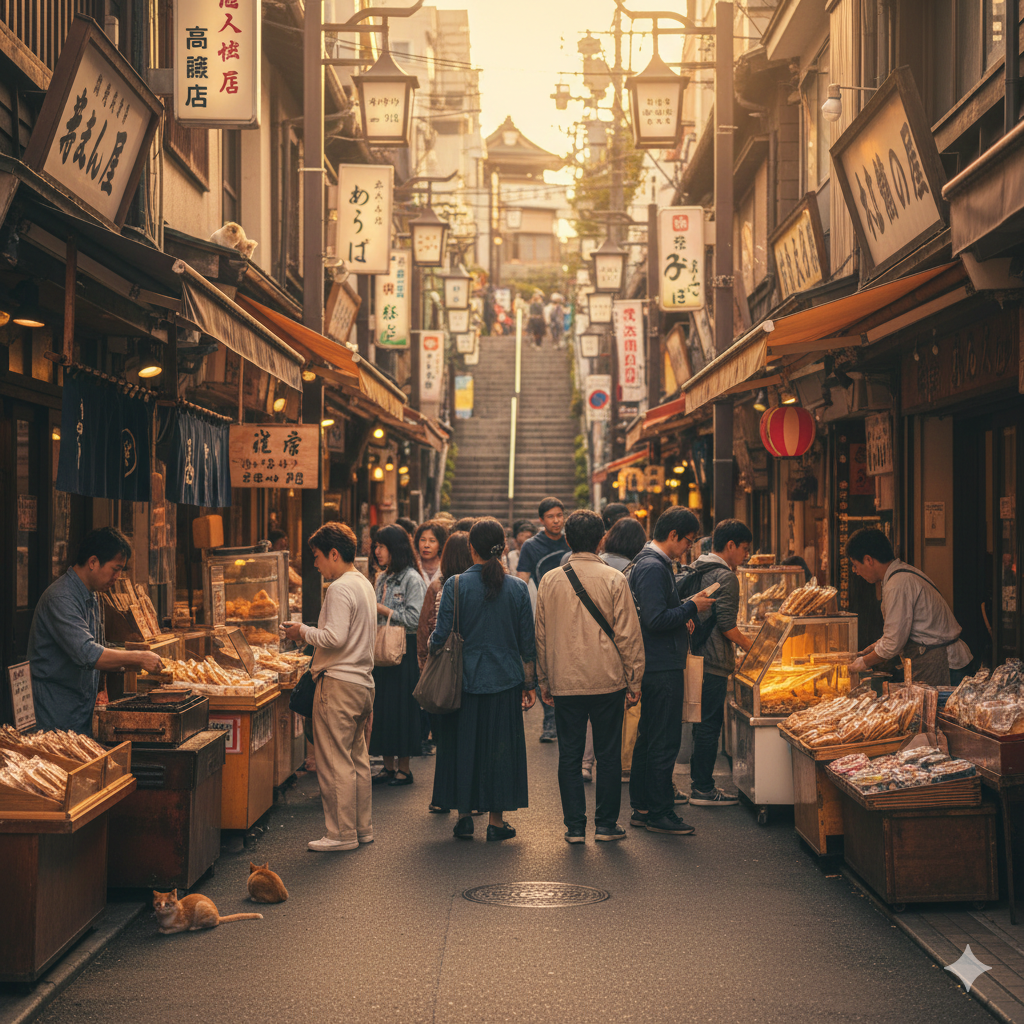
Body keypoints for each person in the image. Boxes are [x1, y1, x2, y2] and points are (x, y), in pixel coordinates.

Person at [536, 510, 645, 843]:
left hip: (565, 681)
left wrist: (544, 679)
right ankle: (606, 824)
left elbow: (540, 635)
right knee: (608, 753)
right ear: (601, 539)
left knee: (569, 754)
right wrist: (634, 678)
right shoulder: (614, 579)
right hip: (608, 678)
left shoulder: (550, 580)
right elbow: (629, 635)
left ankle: (574, 827)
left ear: (567, 539)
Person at [429, 518, 536, 842]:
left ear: (471, 548)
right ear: (502, 549)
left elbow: (440, 636)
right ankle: (496, 821)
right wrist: (530, 685)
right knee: (499, 751)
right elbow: (527, 642)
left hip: (462, 682)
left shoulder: (456, 585)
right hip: (505, 681)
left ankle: (463, 816)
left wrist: (434, 650)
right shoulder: (516, 588)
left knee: (463, 748)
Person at [281, 523, 376, 852]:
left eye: (318, 556)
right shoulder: (363, 583)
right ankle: (362, 828)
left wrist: (302, 632)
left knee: (335, 761)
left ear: (334, 554)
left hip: (338, 683)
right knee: (357, 758)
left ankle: (340, 834)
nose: (316, 563)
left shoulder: (338, 588)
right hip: (363, 682)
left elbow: (334, 637)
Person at [627, 507, 716, 835]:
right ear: (674, 535)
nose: (688, 549)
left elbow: (661, 613)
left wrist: (683, 610)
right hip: (661, 664)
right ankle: (659, 812)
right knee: (663, 740)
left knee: (650, 737)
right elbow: (654, 619)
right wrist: (692, 606)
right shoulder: (652, 566)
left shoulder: (649, 563)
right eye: (688, 542)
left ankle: (644, 806)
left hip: (657, 661)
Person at [28, 527, 163, 734]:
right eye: (115, 569)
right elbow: (89, 654)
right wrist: (138, 657)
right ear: (93, 562)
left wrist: (126, 665)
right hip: (56, 714)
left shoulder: (93, 595)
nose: (117, 576)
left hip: (81, 710)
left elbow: (100, 645)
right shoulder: (61, 598)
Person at [847, 529, 971, 686]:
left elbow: (892, 644)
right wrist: (875, 646)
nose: (855, 571)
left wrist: (861, 663)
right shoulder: (900, 575)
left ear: (868, 560)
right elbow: (898, 633)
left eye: (855, 565)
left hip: (944, 664)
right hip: (940, 660)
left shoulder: (897, 584)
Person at [688, 519, 755, 806]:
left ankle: (697, 784)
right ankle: (702, 788)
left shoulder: (696, 566)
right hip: (712, 661)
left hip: (693, 656)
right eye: (744, 549)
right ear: (730, 546)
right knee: (708, 725)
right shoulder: (726, 577)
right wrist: (754, 648)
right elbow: (727, 626)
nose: (746, 556)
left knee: (698, 723)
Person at [416, 531, 473, 813]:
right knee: (470, 737)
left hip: (442, 670)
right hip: (471, 671)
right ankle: (470, 798)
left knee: (445, 738)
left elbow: (427, 628)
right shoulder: (478, 585)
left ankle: (442, 797)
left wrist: (424, 664)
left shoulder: (439, 586)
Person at [369, 525, 427, 786]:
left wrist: (383, 610)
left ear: (396, 548)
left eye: (382, 546)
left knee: (402, 708)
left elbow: (416, 619)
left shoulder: (412, 579)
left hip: (405, 652)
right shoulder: (381, 578)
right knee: (381, 708)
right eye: (376, 546)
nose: (377, 551)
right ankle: (388, 766)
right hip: (381, 651)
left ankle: (404, 768)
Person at [599, 515, 649, 781]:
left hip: (593, 652)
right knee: (628, 708)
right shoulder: (633, 570)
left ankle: (591, 762)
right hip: (621, 651)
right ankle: (623, 762)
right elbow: (631, 624)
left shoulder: (591, 565)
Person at [516, 497, 570, 742]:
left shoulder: (572, 540)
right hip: (545, 611)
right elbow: (521, 580)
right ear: (541, 520)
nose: (557, 520)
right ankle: (550, 720)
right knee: (545, 666)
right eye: (551, 516)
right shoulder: (531, 546)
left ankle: (565, 719)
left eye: (560, 515)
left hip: (574, 610)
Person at [414, 519, 449, 586]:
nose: (426, 545)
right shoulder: (413, 568)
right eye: (423, 540)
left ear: (440, 544)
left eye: (432, 541)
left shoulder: (446, 569)